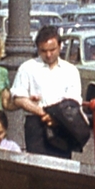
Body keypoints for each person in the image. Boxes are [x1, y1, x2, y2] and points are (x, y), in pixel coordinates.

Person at [10, 25, 85, 158]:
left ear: (60, 46)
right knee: (37, 166)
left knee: (62, 166)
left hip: (62, 124)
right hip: (36, 123)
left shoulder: (70, 70)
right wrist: (43, 113)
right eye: (43, 51)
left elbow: (73, 100)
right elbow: (19, 97)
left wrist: (56, 119)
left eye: (52, 50)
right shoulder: (27, 68)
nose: (48, 55)